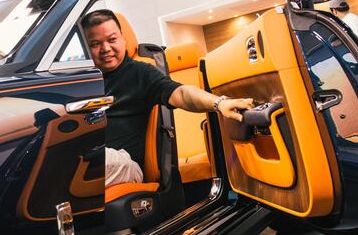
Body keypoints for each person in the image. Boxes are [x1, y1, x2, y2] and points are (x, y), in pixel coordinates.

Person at [80, 10, 254, 187]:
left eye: (112, 40)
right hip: (95, 161)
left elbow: (181, 93)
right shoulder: (81, 83)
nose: (106, 49)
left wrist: (219, 103)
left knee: (90, 160)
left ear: (123, 38)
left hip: (125, 165)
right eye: (95, 44)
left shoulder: (140, 73)